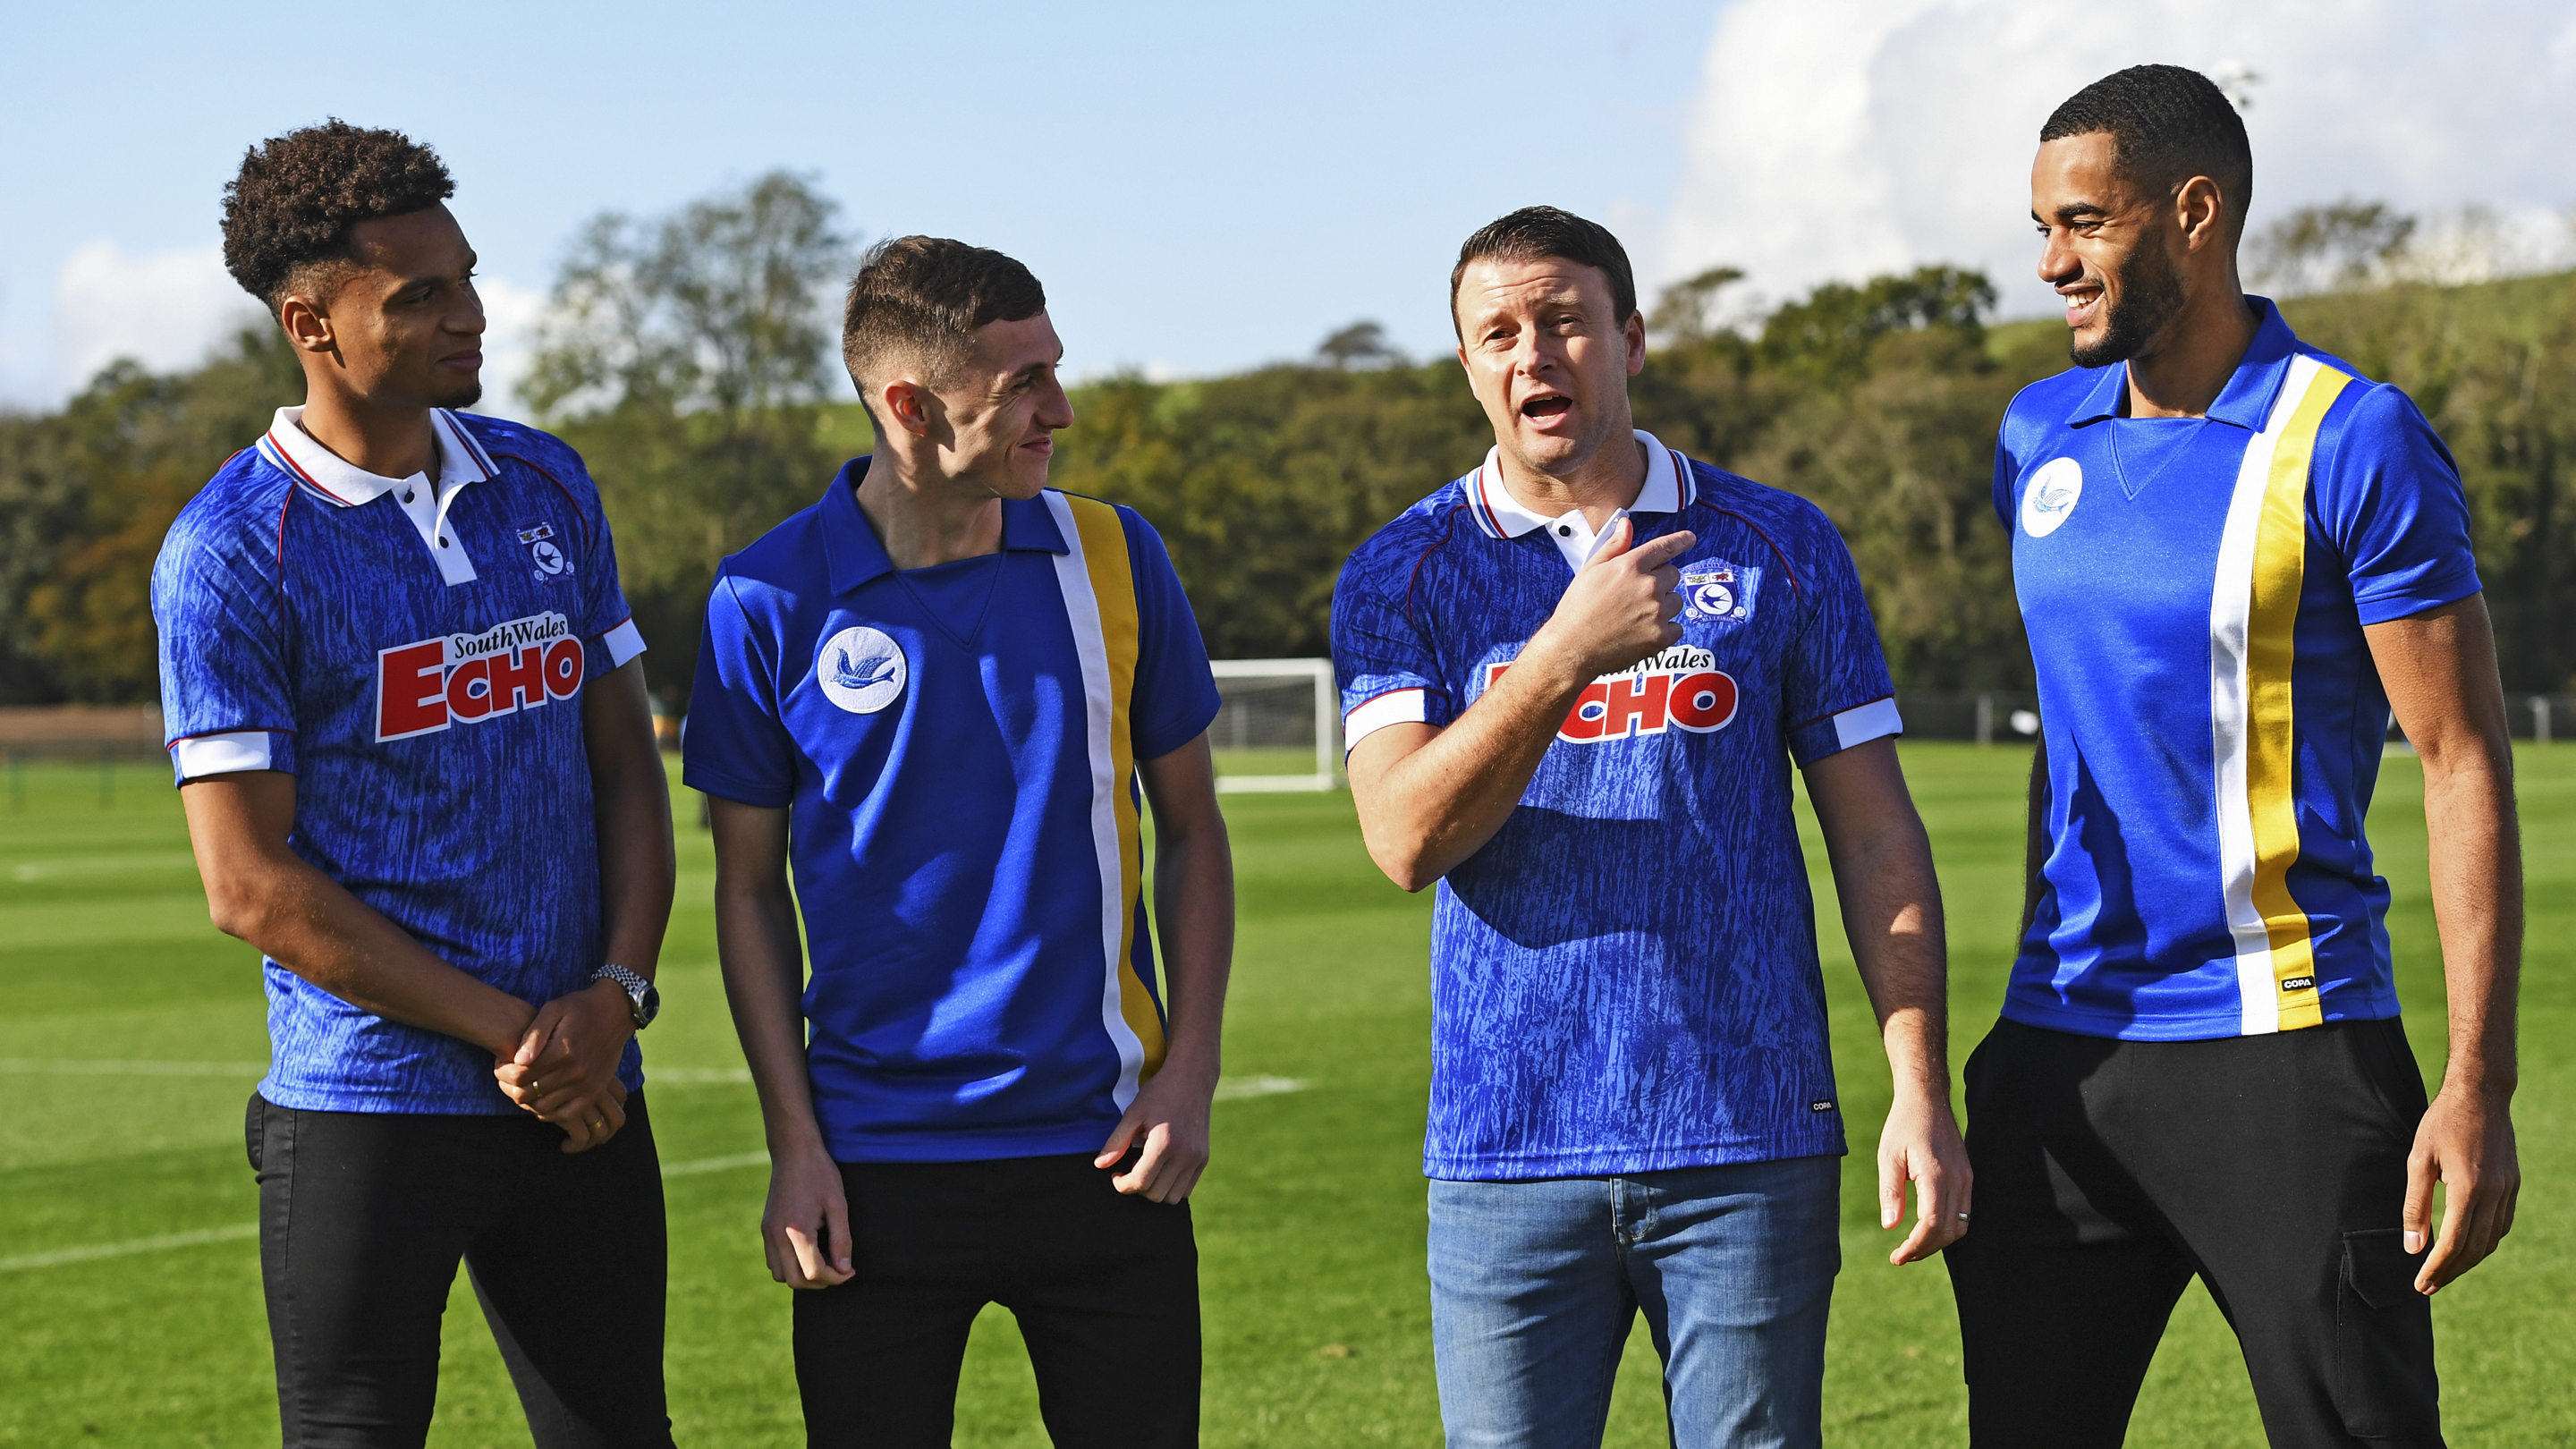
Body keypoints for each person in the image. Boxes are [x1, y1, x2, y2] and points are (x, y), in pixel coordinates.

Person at [1945, 64, 2522, 1446]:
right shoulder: (2036, 433)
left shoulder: (2350, 437)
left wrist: (2476, 1085)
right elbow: (2069, 734)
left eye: (2083, 223)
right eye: (2042, 226)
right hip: (2059, 1060)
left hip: (2289, 1057)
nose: (2050, 263)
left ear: (2194, 211)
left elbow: (2460, 761)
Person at [1331, 205, 1969, 1449]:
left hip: (1747, 1135)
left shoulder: (1779, 544)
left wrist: (1917, 1088)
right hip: (1505, 1150)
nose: (1535, 356)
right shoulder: (1402, 570)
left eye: (1565, 321)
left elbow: (1877, 835)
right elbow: (1404, 839)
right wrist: (1567, 647)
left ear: (1630, 336)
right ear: (1467, 364)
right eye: (1499, 332)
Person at [154, 122, 678, 1447]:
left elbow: (627, 766)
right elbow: (249, 886)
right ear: (311, 325)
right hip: (368, 1110)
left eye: (469, 278)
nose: (474, 316)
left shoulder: (546, 482)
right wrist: (518, 1032)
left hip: (582, 1091)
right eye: (421, 296)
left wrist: (613, 997)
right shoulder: (230, 554)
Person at [682, 236, 1233, 1449]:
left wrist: (1189, 1072)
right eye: (1025, 383)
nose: (1063, 410)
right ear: (909, 407)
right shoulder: (762, 602)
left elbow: (1193, 830)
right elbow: (746, 893)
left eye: (1056, 369)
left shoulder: (1117, 558)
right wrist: (795, 1145)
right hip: (872, 1176)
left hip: (1109, 1154)